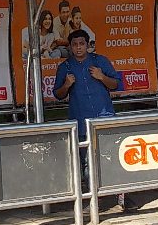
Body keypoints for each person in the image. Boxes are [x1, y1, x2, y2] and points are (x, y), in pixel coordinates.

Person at [53, 30, 135, 211]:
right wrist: (66, 84)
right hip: (81, 120)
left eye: (81, 44)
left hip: (104, 116)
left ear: (88, 45)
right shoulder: (65, 67)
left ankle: (121, 198)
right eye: (74, 45)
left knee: (113, 158)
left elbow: (116, 84)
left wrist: (101, 76)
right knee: (87, 163)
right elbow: (57, 94)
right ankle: (94, 202)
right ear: (70, 47)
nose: (78, 47)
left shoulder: (100, 61)